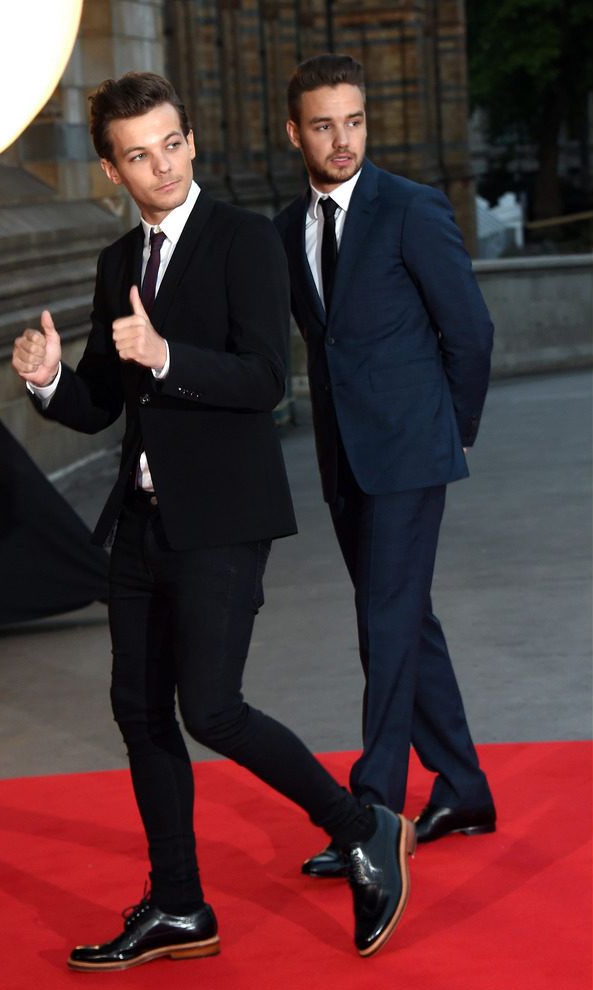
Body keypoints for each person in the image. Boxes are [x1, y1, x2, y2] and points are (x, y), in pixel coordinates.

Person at [11, 71, 415, 966]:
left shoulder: (241, 241)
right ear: (112, 171)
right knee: (139, 711)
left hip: (225, 517)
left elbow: (267, 379)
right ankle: (180, 903)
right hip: (141, 522)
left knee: (213, 708)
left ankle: (361, 828)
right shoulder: (119, 262)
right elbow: (99, 403)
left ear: (190, 142)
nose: (160, 165)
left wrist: (164, 356)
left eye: (171, 144)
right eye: (138, 154)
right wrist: (45, 380)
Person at [274, 54, 496, 879]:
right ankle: (464, 786)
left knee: (384, 624)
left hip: (409, 453)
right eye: (325, 125)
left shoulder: (411, 208)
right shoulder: (284, 229)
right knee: (402, 617)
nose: (343, 140)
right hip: (344, 458)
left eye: (355, 121)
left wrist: (454, 430)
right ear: (295, 132)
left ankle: (371, 811)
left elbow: (469, 332)